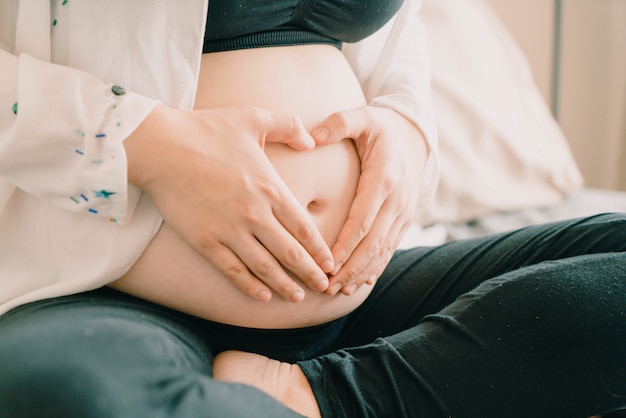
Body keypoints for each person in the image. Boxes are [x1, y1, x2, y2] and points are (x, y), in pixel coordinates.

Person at [0, 1, 624, 418]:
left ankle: (326, 397)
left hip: (358, 282)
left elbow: (397, 51)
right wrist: (149, 145)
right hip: (106, 292)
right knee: (53, 388)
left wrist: (407, 132)